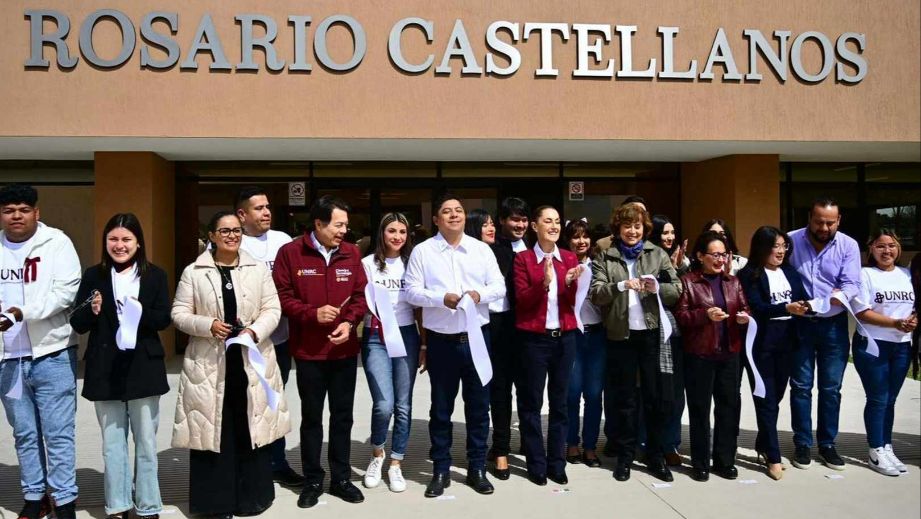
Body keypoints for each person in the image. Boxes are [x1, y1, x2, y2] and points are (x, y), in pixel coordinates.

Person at [171, 210, 289, 518]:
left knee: (250, 428)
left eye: (236, 231)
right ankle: (214, 503)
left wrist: (253, 330)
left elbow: (272, 308)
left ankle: (253, 498)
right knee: (214, 433)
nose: (232, 236)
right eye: (224, 231)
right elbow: (179, 313)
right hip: (210, 366)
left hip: (250, 361)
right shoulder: (194, 271)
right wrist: (207, 324)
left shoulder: (257, 269)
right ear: (211, 236)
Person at [70, 213, 171, 518]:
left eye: (126, 239)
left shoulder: (155, 275)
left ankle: (148, 505)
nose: (119, 245)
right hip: (106, 370)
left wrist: (137, 313)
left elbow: (163, 318)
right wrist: (93, 309)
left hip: (143, 368)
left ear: (138, 242)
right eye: (113, 239)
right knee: (112, 445)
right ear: (105, 242)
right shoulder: (94, 275)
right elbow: (78, 321)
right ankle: (117, 505)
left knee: (146, 443)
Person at [405, 193, 506, 497]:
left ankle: (477, 467)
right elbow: (411, 291)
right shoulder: (423, 252)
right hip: (441, 342)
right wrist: (441, 299)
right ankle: (440, 469)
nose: (454, 215)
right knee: (441, 408)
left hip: (477, 338)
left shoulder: (480, 250)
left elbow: (499, 286)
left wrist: (478, 296)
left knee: (478, 408)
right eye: (446, 212)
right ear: (436, 219)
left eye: (458, 210)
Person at [273, 196, 368, 508]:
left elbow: (360, 295)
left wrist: (350, 322)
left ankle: (341, 478)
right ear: (318, 224)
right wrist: (311, 314)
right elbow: (281, 297)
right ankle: (313, 478)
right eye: (338, 225)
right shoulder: (290, 253)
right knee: (312, 418)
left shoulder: (352, 253)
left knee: (343, 417)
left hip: (343, 352)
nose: (344, 230)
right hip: (308, 352)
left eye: (346, 225)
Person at [0, 184, 81, 519]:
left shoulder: (56, 243)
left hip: (52, 354)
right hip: (8, 358)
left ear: (36, 212)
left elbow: (65, 293)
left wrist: (20, 313)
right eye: (8, 210)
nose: (16, 216)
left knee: (58, 434)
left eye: (23, 209)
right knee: (25, 433)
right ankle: (35, 497)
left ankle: (64, 501)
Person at [589, 203, 681, 483]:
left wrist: (657, 287)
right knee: (625, 400)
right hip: (620, 336)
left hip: (651, 334)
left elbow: (676, 289)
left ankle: (655, 456)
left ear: (645, 228)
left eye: (638, 226)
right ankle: (625, 457)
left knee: (654, 397)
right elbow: (596, 292)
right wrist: (621, 286)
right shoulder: (606, 255)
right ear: (618, 228)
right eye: (627, 226)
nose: (633, 231)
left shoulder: (657, 253)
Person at [234, 186, 303, 488]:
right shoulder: (231, 242)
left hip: (279, 340)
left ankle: (277, 462)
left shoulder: (282, 241)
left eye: (267, 207)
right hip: (245, 341)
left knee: (274, 401)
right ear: (242, 214)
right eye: (258, 208)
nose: (266, 212)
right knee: (244, 402)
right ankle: (246, 462)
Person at [788, 197, 861, 470]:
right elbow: (782, 274)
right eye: (819, 221)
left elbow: (852, 283)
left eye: (830, 222)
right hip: (801, 323)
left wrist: (835, 297)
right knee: (802, 386)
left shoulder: (848, 245)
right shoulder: (792, 241)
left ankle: (828, 444)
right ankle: (803, 443)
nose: (824, 227)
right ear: (810, 217)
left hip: (833, 324)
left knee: (831, 388)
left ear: (838, 220)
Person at [515, 206, 583, 485]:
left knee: (561, 403)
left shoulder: (568, 257)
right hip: (533, 340)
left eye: (557, 222)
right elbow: (521, 300)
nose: (553, 226)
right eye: (547, 221)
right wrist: (542, 284)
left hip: (564, 338)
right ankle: (536, 463)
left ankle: (557, 462)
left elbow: (571, 302)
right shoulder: (523, 259)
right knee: (531, 403)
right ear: (535, 226)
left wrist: (568, 282)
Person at [675, 231, 751, 482]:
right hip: (700, 354)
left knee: (728, 408)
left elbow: (744, 307)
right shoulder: (688, 282)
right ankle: (700, 463)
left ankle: (724, 460)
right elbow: (681, 317)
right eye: (715, 254)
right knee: (700, 410)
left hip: (729, 353)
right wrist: (704, 315)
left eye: (724, 254)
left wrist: (743, 318)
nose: (720, 259)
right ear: (700, 256)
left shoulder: (733, 282)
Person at [737, 226, 809, 481]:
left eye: (784, 246)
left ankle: (763, 443)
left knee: (777, 394)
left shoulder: (790, 271)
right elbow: (756, 306)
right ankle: (774, 456)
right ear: (762, 248)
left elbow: (803, 298)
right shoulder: (750, 274)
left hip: (789, 340)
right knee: (765, 398)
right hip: (762, 343)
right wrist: (785, 307)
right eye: (775, 246)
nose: (780, 251)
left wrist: (808, 306)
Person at [360, 212, 424, 493]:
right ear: (381, 234)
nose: (397, 236)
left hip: (407, 336)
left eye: (402, 231)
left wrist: (424, 343)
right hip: (376, 336)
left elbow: (421, 306)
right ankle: (377, 454)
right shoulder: (366, 264)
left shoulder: (413, 264)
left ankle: (396, 462)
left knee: (403, 405)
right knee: (383, 404)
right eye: (391, 231)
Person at [852, 229, 917, 476]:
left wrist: (911, 322)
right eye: (880, 246)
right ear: (871, 249)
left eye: (891, 245)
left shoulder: (906, 274)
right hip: (873, 345)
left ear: (898, 248)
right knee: (878, 398)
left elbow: (913, 306)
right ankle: (875, 449)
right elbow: (862, 312)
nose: (886, 250)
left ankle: (886, 445)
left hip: (902, 345)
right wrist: (894, 323)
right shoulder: (865, 274)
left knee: (890, 400)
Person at [486, 197, 529, 478]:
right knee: (500, 393)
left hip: (530, 330)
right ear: (502, 221)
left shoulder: (537, 249)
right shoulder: (490, 250)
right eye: (514, 219)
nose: (520, 225)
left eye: (524, 220)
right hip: (500, 329)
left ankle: (529, 443)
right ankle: (500, 449)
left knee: (529, 392)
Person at [561, 219, 606, 468]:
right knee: (572, 392)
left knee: (594, 393)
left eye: (585, 236)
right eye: (576, 237)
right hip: (572, 335)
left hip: (597, 336)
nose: (581, 241)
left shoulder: (599, 265)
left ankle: (590, 446)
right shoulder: (562, 264)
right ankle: (571, 443)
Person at [648, 214, 688, 466]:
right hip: (651, 334)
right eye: (664, 233)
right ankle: (648, 442)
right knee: (652, 393)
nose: (669, 238)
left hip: (676, 336)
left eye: (672, 233)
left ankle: (671, 442)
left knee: (674, 393)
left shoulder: (685, 263)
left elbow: (683, 294)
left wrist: (680, 269)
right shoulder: (648, 260)